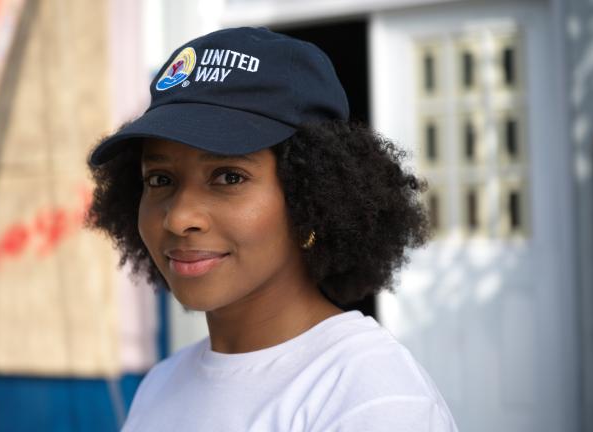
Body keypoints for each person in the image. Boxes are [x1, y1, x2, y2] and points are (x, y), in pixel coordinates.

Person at [87, 27, 458, 431]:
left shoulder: (369, 395)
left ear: (313, 196)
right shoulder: (162, 384)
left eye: (228, 177)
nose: (178, 218)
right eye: (159, 179)